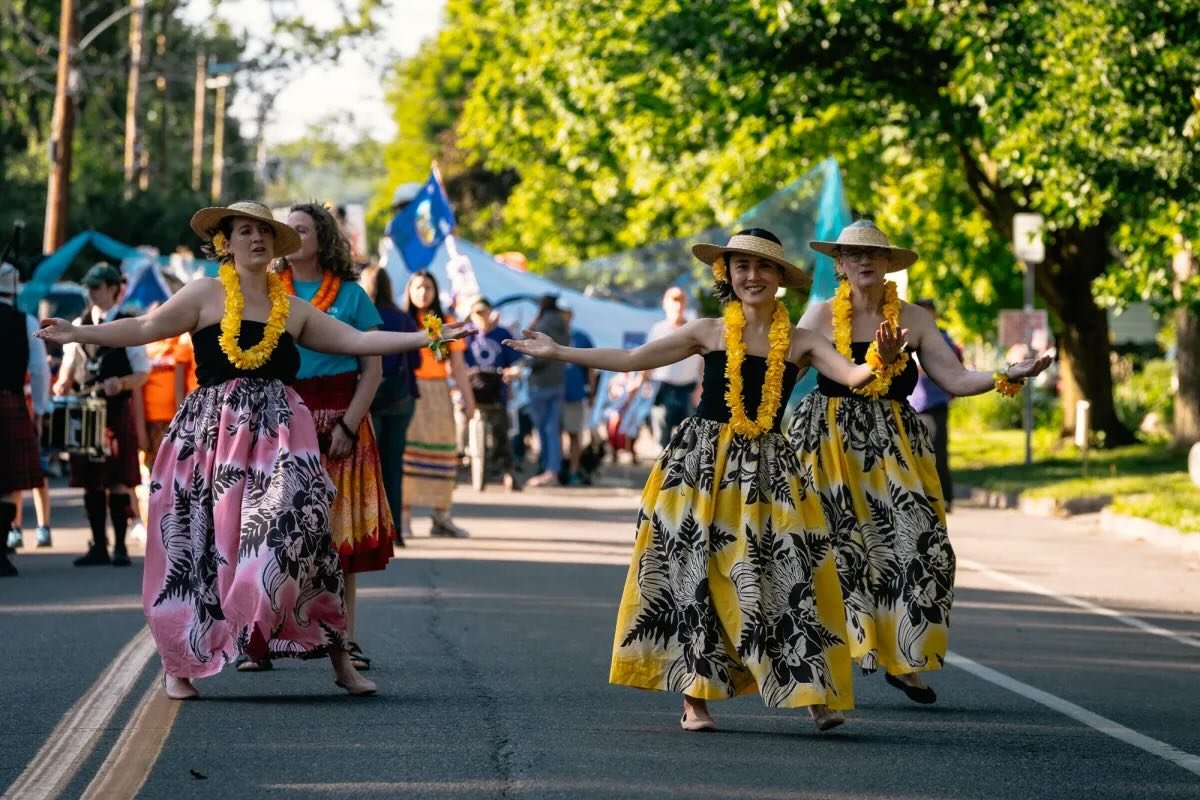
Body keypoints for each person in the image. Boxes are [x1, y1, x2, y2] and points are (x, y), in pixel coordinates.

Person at [36, 200, 471, 700]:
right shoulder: (203, 293)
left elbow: (355, 341)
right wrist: (78, 332)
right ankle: (180, 664)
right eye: (245, 231)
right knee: (195, 546)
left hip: (280, 438)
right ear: (226, 241)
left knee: (302, 533)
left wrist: (428, 335)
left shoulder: (291, 306)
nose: (257, 239)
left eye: (264, 232)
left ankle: (336, 658)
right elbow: (142, 329)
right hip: (210, 437)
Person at [506, 229, 906, 732]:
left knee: (791, 573)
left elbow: (851, 378)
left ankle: (813, 694)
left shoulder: (802, 341)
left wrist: (880, 361)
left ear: (780, 278)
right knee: (693, 574)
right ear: (727, 275)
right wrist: (559, 352)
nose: (752, 276)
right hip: (700, 468)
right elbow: (633, 361)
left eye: (763, 268)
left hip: (771, 474)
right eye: (741, 266)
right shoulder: (709, 332)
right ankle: (694, 701)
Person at [792, 220, 1050, 705]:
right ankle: (819, 678)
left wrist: (1007, 374)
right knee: (830, 556)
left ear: (889, 262)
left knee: (922, 546)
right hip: (827, 443)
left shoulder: (915, 319)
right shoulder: (820, 317)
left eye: (873, 253)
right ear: (840, 264)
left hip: (895, 444)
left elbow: (953, 377)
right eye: (853, 253)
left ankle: (906, 660)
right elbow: (783, 373)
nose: (864, 260)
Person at [245, 202, 395, 674]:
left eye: (302, 229)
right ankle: (261, 639)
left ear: (322, 237)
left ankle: (345, 641)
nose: (292, 235)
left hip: (341, 418)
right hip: (284, 418)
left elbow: (372, 367)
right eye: (287, 229)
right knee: (273, 535)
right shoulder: (267, 293)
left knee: (340, 540)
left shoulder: (351, 295)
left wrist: (350, 424)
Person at [53, 263, 150, 568]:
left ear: (112, 288)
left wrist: (121, 383)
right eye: (89, 287)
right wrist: (62, 382)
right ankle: (98, 545)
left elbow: (142, 374)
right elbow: (69, 365)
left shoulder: (127, 324)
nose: (91, 292)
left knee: (119, 481)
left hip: (116, 410)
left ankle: (120, 546)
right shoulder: (77, 323)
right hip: (85, 410)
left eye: (96, 287)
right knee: (90, 481)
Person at [400, 270, 476, 538]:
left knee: (444, 450)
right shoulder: (403, 321)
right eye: (418, 287)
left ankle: (441, 516)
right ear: (409, 291)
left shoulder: (448, 322)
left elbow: (458, 366)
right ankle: (403, 517)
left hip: (439, 393)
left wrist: (469, 401)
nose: (423, 292)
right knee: (407, 454)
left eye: (428, 287)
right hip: (410, 391)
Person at [360, 263, 420, 548]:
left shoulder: (362, 317)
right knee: (394, 465)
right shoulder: (403, 318)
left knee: (372, 466)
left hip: (369, 397)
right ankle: (396, 529)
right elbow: (417, 361)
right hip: (400, 398)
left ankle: (374, 530)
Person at [0, 263, 51, 577]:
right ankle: (1, 553)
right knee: (6, 484)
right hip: (11, 401)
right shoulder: (25, 321)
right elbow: (40, 370)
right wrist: (41, 409)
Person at [910, 298, 963, 512]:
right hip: (912, 405)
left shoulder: (942, 338)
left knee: (937, 452)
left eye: (927, 312)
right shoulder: (906, 336)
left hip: (935, 404)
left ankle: (945, 498)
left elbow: (952, 368)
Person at [464, 297, 521, 490]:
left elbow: (517, 362)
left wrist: (513, 372)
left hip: (497, 392)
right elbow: (454, 362)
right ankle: (463, 459)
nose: (481, 317)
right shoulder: (467, 336)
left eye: (484, 312)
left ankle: (507, 471)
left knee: (501, 435)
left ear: (491, 313)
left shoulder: (502, 334)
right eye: (477, 313)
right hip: (471, 392)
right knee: (459, 426)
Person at [645, 286, 704, 450]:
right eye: (673, 300)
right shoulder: (658, 329)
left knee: (691, 439)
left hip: (688, 390)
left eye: (681, 300)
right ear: (665, 303)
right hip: (663, 388)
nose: (677, 304)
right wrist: (645, 383)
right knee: (661, 441)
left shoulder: (694, 330)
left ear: (685, 303)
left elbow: (703, 363)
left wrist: (701, 387)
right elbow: (647, 359)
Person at [524, 295, 569, 488]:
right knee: (554, 430)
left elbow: (538, 357)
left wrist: (527, 362)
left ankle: (547, 469)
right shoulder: (563, 325)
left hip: (540, 383)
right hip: (557, 382)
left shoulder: (542, 325)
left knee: (544, 430)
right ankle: (554, 470)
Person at [557, 299, 595, 486]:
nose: (562, 316)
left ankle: (573, 470)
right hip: (553, 393)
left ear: (571, 315)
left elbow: (591, 368)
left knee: (573, 434)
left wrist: (592, 393)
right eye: (559, 312)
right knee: (553, 434)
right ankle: (554, 470)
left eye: (565, 312)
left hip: (574, 393)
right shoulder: (550, 335)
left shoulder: (581, 336)